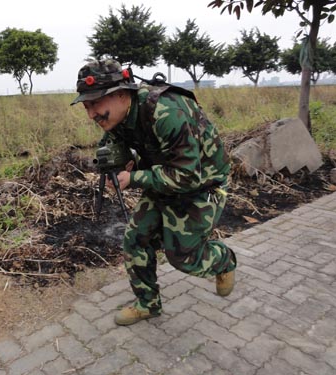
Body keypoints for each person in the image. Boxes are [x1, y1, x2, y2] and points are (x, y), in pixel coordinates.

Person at [71, 59, 237, 326]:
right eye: (86, 106)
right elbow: (118, 147)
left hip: (202, 185)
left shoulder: (166, 111)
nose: (91, 114)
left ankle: (224, 260)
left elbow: (187, 176)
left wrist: (134, 176)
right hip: (164, 179)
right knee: (135, 240)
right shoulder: (117, 119)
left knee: (183, 257)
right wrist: (122, 164)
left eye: (95, 104)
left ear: (122, 94)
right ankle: (147, 304)